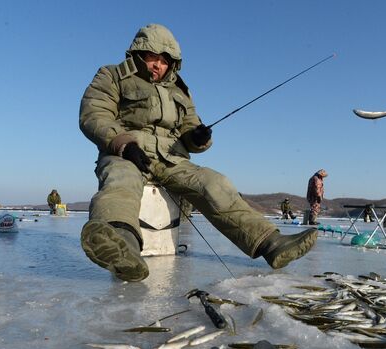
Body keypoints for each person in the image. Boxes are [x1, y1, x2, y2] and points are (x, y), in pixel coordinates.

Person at [78, 24, 317, 281]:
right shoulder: (113, 75)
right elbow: (94, 114)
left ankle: (270, 243)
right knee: (120, 181)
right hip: (127, 153)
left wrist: (197, 137)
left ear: (173, 64)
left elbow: (190, 127)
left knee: (214, 183)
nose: (158, 65)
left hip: (171, 159)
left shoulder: (180, 90)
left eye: (164, 60)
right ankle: (121, 243)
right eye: (151, 57)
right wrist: (124, 144)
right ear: (138, 55)